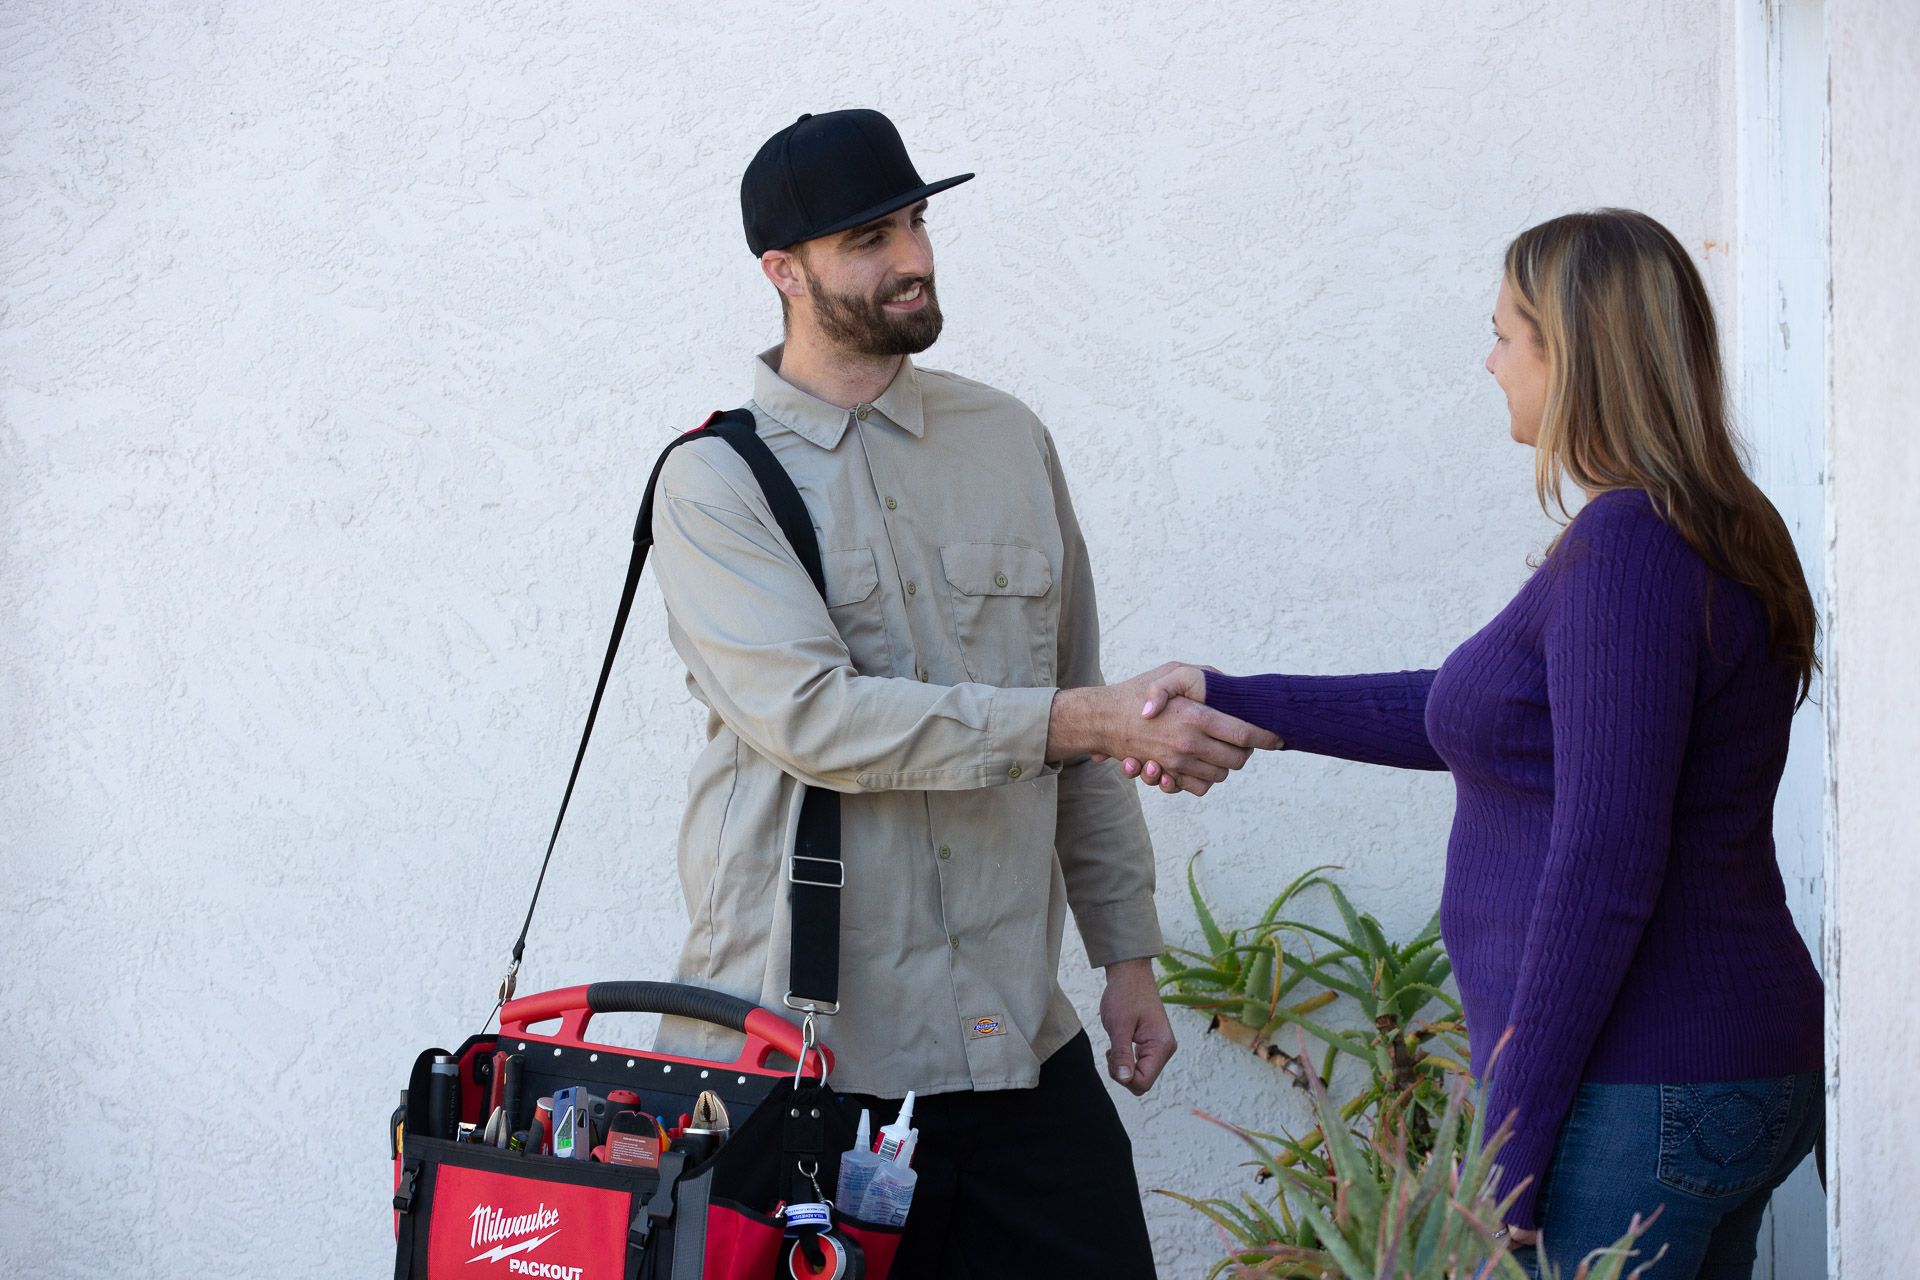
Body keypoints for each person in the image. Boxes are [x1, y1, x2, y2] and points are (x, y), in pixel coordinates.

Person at [1112, 210, 1825, 1278]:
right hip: (1710, 1070)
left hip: (1637, 1088)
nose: (1489, 362)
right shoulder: (1698, 527)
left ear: (1572, 353)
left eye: (1505, 334)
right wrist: (1236, 695)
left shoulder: (1629, 546)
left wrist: (1515, 1144)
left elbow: (1605, 863)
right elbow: (1488, 714)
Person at [646, 107, 1278, 1275]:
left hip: (1011, 1044)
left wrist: (1125, 956)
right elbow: (818, 719)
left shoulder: (1008, 440)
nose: (915, 256)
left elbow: (1080, 705)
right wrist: (1074, 718)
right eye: (870, 236)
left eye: (920, 220)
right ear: (783, 272)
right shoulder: (712, 483)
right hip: (806, 1057)